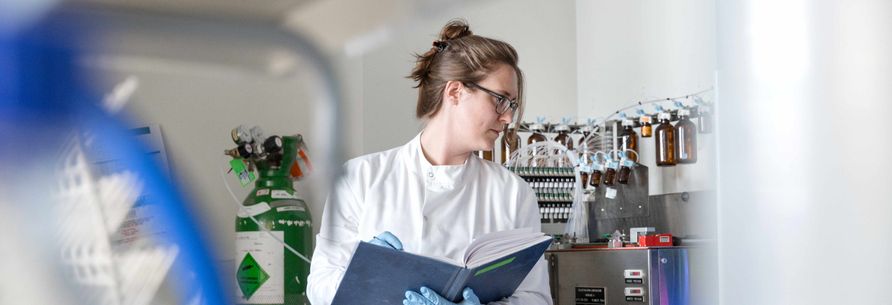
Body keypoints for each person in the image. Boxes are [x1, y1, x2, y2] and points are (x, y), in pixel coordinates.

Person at [307, 19, 551, 305]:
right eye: (500, 99)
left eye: (511, 105)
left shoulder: (512, 193)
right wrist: (363, 274)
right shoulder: (360, 178)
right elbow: (319, 286)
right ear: (455, 92)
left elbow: (536, 297)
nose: (508, 117)